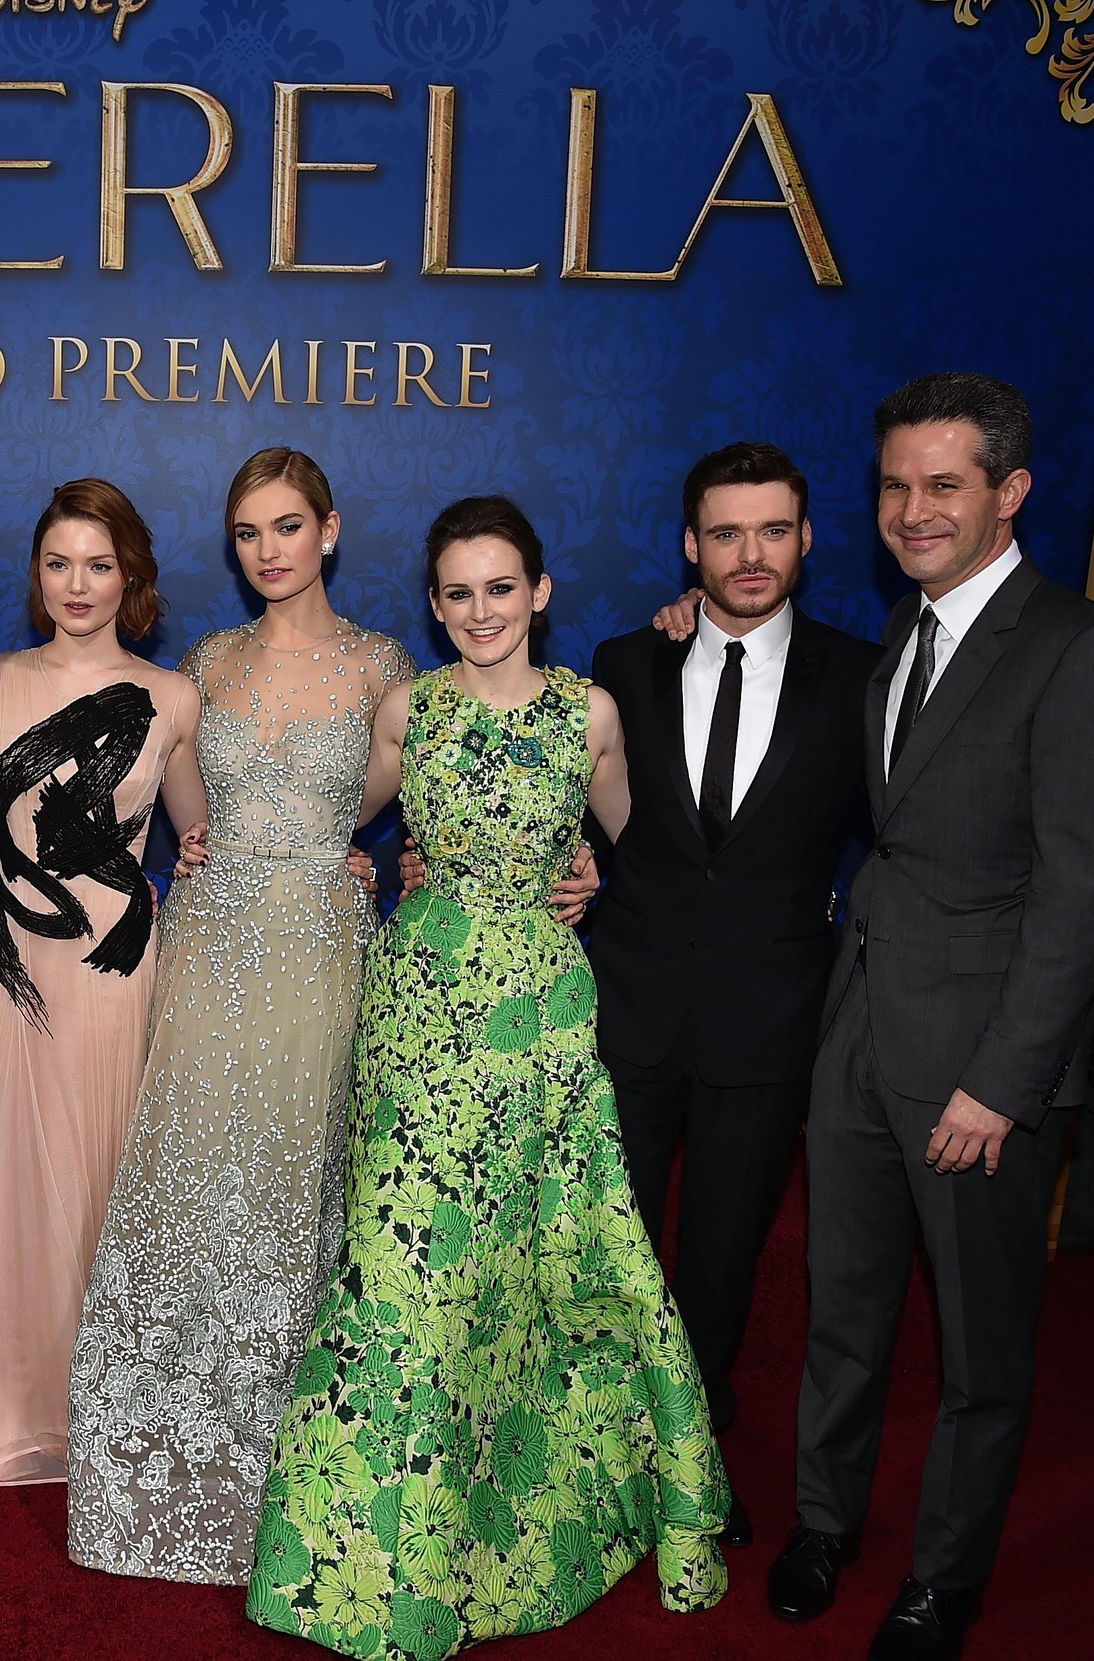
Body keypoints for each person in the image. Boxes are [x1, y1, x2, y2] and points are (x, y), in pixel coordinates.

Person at [247, 495, 727, 1656]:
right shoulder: (408, 708)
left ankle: (491, 1528)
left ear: (539, 592)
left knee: (514, 1265)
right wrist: (236, 838)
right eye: (458, 593)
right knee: (397, 1263)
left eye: (500, 588)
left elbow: (644, 851)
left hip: (539, 1024)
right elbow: (327, 819)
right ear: (433, 602)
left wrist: (592, 877)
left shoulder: (589, 712)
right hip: (416, 1010)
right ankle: (369, 1557)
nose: (480, 611)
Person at [759, 374, 1094, 1661]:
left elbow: (1082, 899)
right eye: (894, 485)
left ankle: (944, 1579)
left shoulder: (1079, 652)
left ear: (1009, 491)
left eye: (943, 485)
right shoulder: (902, 636)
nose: (912, 510)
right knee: (842, 1309)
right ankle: (825, 1523)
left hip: (980, 1068)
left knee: (981, 1349)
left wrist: (1003, 1081)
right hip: (859, 1036)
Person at [66, 447, 418, 1582]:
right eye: (248, 533)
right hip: (210, 946)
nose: (268, 550)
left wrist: (360, 857)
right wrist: (199, 849)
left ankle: (290, 1458)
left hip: (319, 948)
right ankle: (164, 1447)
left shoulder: (384, 666)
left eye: (286, 527)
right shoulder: (206, 662)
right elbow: (181, 813)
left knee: (293, 1184)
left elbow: (410, 802)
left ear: (329, 529)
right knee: (191, 1178)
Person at [584, 442, 878, 1545]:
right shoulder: (624, 662)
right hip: (629, 1007)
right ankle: (595, 1453)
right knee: (608, 1252)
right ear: (689, 545)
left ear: (805, 539)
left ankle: (690, 1457)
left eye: (772, 530)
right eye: (725, 532)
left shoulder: (863, 674)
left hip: (769, 1018)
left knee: (720, 1259)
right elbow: (568, 805)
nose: (749, 554)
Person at [0, 479, 207, 1487]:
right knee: (3, 1179)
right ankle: (4, 1410)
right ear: (37, 574)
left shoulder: (172, 696)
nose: (78, 584)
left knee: (101, 1177)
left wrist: (334, 857)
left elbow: (201, 835)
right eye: (59, 563)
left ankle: (99, 1410)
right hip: (7, 954)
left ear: (131, 575)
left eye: (99, 564)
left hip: (113, 969)